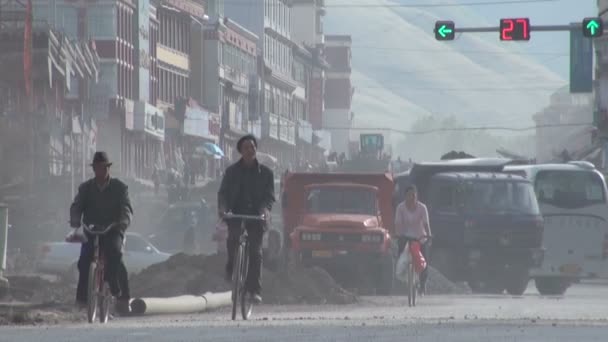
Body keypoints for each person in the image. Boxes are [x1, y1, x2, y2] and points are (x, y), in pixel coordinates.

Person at [69, 151, 133, 315]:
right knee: (84, 261)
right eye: (97, 168)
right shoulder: (85, 188)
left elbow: (126, 209)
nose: (100, 171)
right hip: (91, 230)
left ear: (108, 168)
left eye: (103, 168)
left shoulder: (120, 188)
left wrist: (123, 222)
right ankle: (82, 299)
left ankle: (118, 291)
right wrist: (75, 220)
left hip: (112, 230)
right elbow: (76, 206)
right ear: (94, 169)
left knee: (115, 254)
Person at [217, 134, 274, 304]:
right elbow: (223, 194)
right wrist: (223, 209)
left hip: (257, 217)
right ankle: (231, 269)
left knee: (256, 252)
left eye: (253, 147)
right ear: (241, 151)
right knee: (233, 240)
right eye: (247, 147)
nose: (251, 150)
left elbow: (269, 197)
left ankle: (254, 290)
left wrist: (265, 211)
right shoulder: (231, 172)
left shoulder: (266, 174)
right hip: (236, 215)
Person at [394, 185, 432, 295]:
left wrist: (428, 235)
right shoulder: (400, 208)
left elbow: (426, 223)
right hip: (406, 237)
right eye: (409, 195)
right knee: (401, 257)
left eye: (414, 195)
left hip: (420, 238)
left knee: (423, 261)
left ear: (417, 196)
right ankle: (406, 278)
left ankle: (423, 283)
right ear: (405, 196)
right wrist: (398, 235)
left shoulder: (422, 208)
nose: (412, 198)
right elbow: (398, 224)